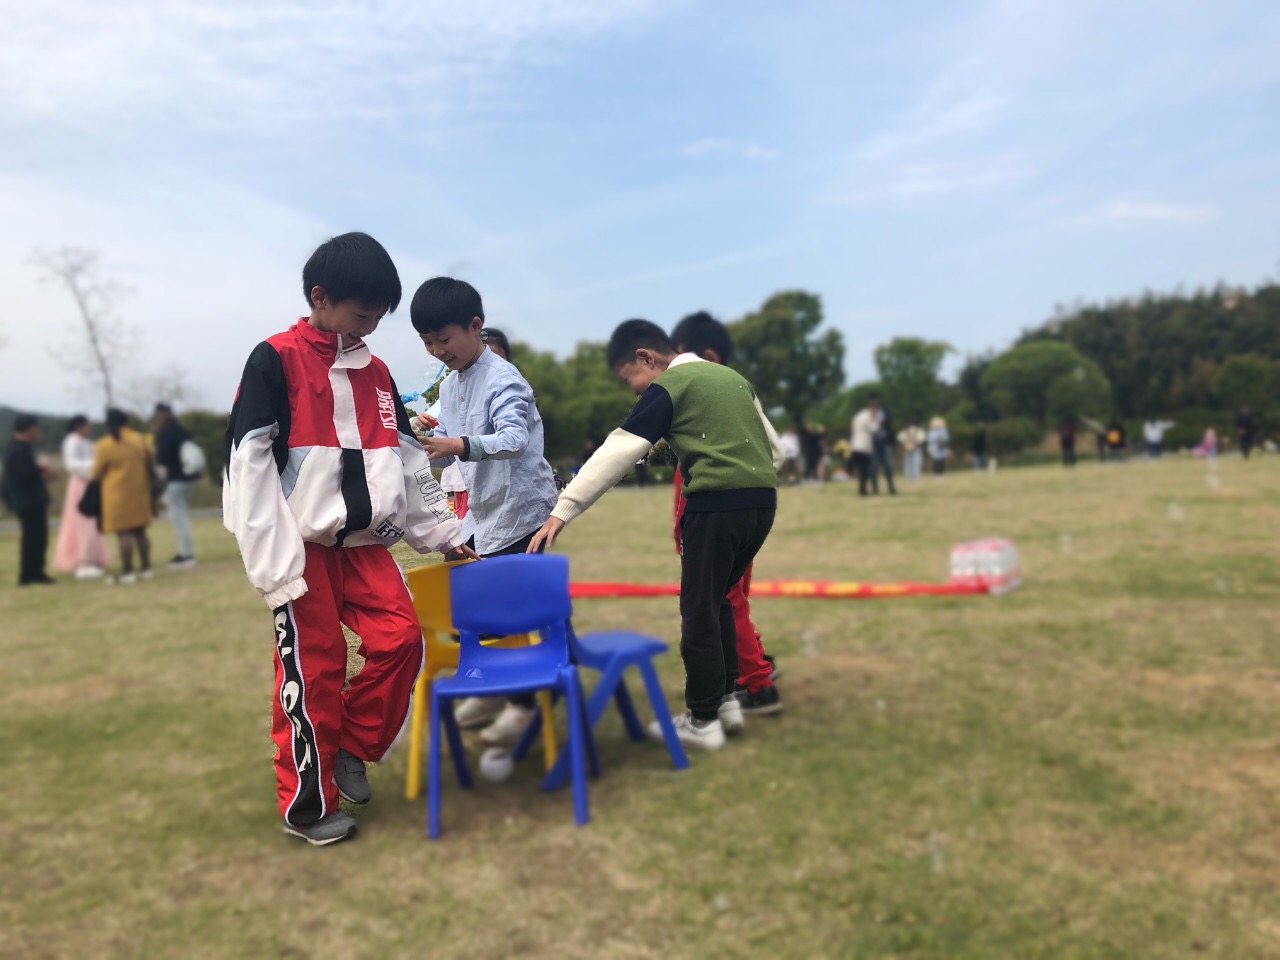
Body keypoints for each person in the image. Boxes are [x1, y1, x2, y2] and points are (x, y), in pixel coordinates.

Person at [223, 232, 475, 847]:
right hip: (302, 546)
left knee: (402, 640)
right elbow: (248, 465)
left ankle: (351, 747)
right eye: (362, 314)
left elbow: (407, 459)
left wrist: (442, 533)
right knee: (314, 669)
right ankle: (309, 808)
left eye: (377, 317)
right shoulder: (274, 359)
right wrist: (273, 564)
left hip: (367, 544)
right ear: (320, 297)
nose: (370, 328)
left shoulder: (377, 371)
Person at [527, 319, 782, 751]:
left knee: (699, 610)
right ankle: (726, 703)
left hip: (714, 506)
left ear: (645, 357)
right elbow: (775, 448)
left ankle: (702, 720)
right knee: (720, 599)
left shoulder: (671, 386)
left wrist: (563, 509)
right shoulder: (734, 379)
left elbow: (619, 450)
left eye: (629, 380)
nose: (634, 392)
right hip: (761, 504)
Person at [411, 277, 559, 746]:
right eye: (427, 342)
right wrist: (423, 439)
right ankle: (495, 685)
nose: (437, 350)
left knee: (514, 614)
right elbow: (449, 448)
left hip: (522, 512)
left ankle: (525, 704)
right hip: (483, 512)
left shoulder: (503, 378)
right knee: (474, 606)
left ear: (476, 326)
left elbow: (513, 440)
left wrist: (455, 443)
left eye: (444, 338)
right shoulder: (452, 384)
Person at [669, 310, 782, 716]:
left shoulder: (722, 393)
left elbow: (776, 450)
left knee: (724, 600)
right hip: (737, 508)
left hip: (718, 509)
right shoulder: (729, 396)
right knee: (731, 597)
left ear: (708, 358)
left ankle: (756, 683)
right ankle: (750, 668)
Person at [92, 408, 155, 584]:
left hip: (116, 494)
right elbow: (150, 461)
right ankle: (146, 568)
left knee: (123, 533)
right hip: (140, 491)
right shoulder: (139, 439)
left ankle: (128, 571)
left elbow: (96, 472)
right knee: (140, 532)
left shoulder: (105, 444)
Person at [53, 415, 111, 578]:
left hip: (91, 482)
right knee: (83, 522)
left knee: (92, 523)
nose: (89, 428)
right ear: (78, 426)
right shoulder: (71, 441)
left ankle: (93, 558)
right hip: (80, 484)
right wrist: (94, 467)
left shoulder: (87, 442)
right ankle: (84, 560)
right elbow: (72, 465)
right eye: (87, 425)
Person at [3, 414, 54, 586]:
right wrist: (40, 472)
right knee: (33, 537)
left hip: (30, 499)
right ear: (30, 428)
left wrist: (37, 470)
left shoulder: (20, 447)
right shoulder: (17, 449)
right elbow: (22, 475)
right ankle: (29, 573)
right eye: (36, 428)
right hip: (27, 500)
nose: (38, 432)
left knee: (38, 536)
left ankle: (36, 571)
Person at [151, 403, 200, 568]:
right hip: (187, 477)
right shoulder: (182, 431)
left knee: (178, 517)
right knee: (181, 515)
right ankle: (185, 552)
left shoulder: (164, 433)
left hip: (174, 479)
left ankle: (185, 554)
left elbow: (161, 458)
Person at [850, 394, 881, 495]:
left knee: (861, 469)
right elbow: (874, 429)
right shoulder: (868, 417)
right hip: (864, 446)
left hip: (855, 445)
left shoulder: (858, 416)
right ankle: (862, 490)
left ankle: (862, 488)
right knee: (864, 470)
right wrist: (877, 421)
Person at [871, 400, 897, 494]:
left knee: (887, 465)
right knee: (873, 466)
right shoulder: (868, 413)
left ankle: (891, 487)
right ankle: (875, 488)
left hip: (884, 441)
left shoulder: (884, 410)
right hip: (873, 442)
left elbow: (888, 421)